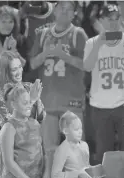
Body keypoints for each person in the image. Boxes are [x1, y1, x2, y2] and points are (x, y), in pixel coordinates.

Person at [83, 3, 124, 165]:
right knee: (103, 154)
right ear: (101, 20)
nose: (113, 22)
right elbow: (87, 66)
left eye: (117, 18)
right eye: (109, 19)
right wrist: (99, 42)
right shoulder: (91, 43)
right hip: (100, 106)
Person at [30, 0, 88, 153]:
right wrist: (46, 53)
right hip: (48, 102)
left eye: (70, 9)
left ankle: (77, 177)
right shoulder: (42, 34)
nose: (65, 11)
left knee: (76, 148)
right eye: (62, 7)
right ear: (54, 10)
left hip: (71, 101)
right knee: (49, 149)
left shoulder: (78, 33)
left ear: (74, 14)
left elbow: (87, 65)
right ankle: (50, 177)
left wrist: (63, 56)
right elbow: (33, 64)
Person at [0, 4, 28, 143]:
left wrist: (14, 51)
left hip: (16, 90)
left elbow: (25, 66)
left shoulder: (20, 40)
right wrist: (3, 51)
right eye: (3, 21)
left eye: (11, 21)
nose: (7, 25)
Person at [0, 50, 46, 128]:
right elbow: (9, 124)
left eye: (20, 67)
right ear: (5, 72)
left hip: (35, 137)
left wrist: (37, 101)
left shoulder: (29, 86)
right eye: (14, 70)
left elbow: (41, 119)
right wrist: (31, 100)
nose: (19, 72)